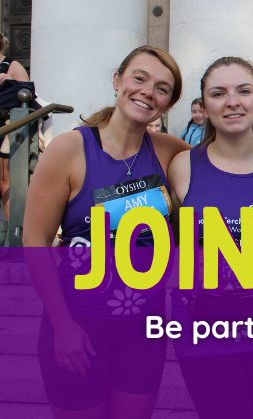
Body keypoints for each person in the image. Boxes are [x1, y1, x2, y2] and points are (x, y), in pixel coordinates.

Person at [23, 46, 187, 418]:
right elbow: (35, 242)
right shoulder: (69, 150)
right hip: (77, 327)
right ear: (118, 80)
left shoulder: (170, 152)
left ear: (167, 103)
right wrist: (63, 326)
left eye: (162, 88)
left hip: (143, 332)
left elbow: (225, 164)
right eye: (139, 78)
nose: (148, 91)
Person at [167, 56, 253, 419]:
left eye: (243, 91)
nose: (232, 101)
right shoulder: (182, 166)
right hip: (202, 330)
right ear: (204, 107)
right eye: (218, 93)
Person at [0, 31, 30, 221]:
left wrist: (10, 82)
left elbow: (29, 96)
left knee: (5, 183)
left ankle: (13, 236)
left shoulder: (11, 65)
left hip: (6, 127)